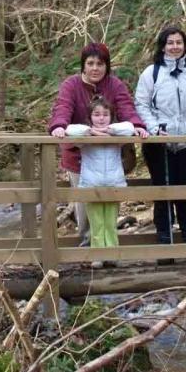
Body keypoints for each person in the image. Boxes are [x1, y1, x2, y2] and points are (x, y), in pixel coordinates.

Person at [48, 43, 148, 246]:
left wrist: (137, 125)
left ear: (107, 66)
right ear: (83, 66)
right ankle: (89, 251)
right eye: (90, 63)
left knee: (109, 206)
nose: (95, 68)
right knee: (85, 209)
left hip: (109, 159)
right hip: (78, 157)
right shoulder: (71, 85)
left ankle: (109, 250)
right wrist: (59, 126)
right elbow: (63, 107)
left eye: (100, 64)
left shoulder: (115, 85)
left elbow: (126, 108)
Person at [135, 27, 186, 245]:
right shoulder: (151, 73)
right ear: (163, 46)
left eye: (179, 42)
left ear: (185, 46)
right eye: (170, 42)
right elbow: (141, 105)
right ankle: (165, 242)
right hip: (158, 143)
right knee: (162, 193)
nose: (174, 47)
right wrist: (153, 129)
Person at [65, 97, 135, 268]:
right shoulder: (85, 136)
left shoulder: (117, 134)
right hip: (91, 185)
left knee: (110, 222)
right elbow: (69, 130)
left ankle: (112, 254)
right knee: (96, 223)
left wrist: (110, 130)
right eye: (96, 114)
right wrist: (92, 131)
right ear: (90, 117)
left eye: (105, 114)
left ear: (111, 116)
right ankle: (97, 255)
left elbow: (130, 127)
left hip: (113, 185)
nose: (101, 118)